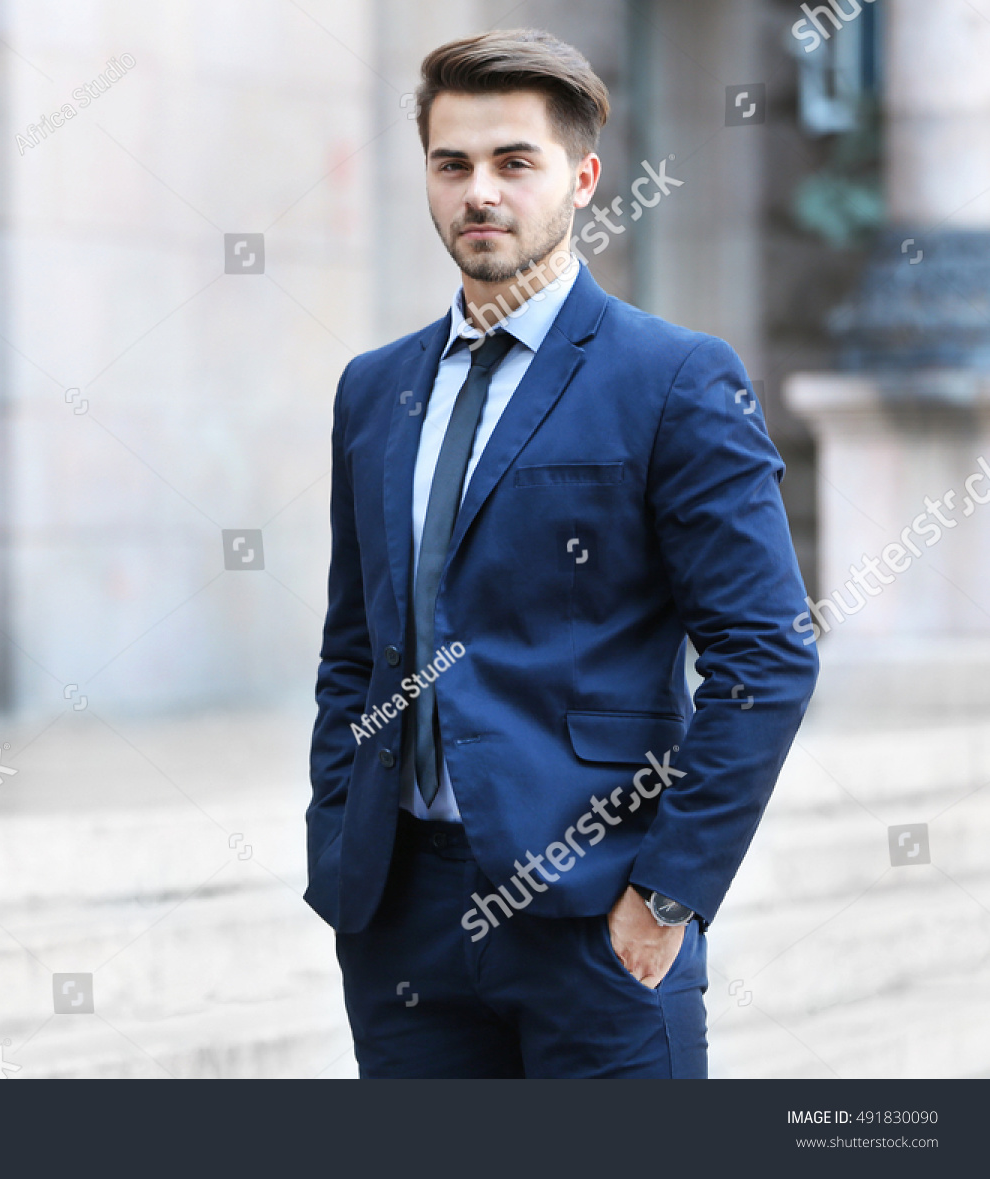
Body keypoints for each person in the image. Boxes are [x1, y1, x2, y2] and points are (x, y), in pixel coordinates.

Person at [305, 27, 818, 1077]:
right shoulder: (373, 390)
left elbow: (766, 656)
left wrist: (667, 894)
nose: (479, 192)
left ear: (583, 179)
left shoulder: (672, 379)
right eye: (452, 165)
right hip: (404, 923)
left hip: (598, 918)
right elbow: (354, 648)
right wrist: (341, 849)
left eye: (513, 162)